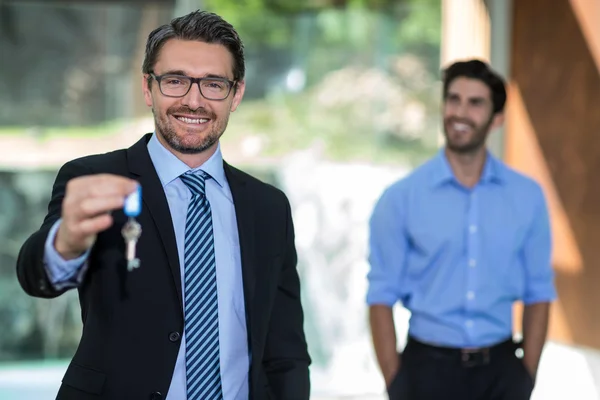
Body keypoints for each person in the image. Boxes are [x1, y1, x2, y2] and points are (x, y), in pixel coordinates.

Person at [16, 10, 310, 400]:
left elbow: (285, 348)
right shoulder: (95, 179)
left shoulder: (268, 206)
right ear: (147, 88)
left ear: (236, 94)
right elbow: (37, 275)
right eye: (175, 81)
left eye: (213, 84)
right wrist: (64, 244)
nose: (193, 100)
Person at [366, 59, 556, 400]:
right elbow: (380, 295)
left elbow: (539, 291)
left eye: (475, 102)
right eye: (453, 99)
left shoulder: (527, 197)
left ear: (497, 118)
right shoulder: (400, 198)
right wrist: (396, 381)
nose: (460, 112)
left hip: (502, 372)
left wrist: (525, 376)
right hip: (424, 372)